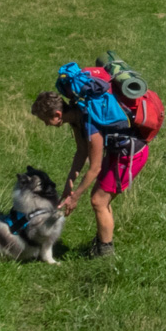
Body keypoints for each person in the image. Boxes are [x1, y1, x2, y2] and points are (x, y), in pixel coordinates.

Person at [30, 89, 147, 257]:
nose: (46, 124)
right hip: (117, 151)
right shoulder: (76, 116)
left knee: (98, 200)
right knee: (100, 199)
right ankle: (102, 243)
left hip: (130, 154)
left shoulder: (89, 122)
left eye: (45, 120)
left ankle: (105, 253)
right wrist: (68, 186)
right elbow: (81, 152)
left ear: (57, 114)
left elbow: (95, 168)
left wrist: (75, 197)